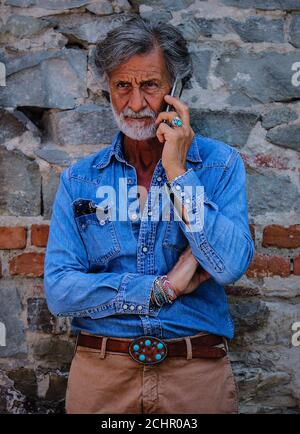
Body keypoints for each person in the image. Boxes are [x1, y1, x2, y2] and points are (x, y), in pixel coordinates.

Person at [44, 17, 254, 414]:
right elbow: (59, 291)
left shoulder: (220, 166)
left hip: (194, 371)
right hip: (103, 373)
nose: (136, 104)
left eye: (150, 86)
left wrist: (177, 170)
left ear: (175, 90)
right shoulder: (80, 180)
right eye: (123, 86)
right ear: (107, 87)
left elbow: (227, 266)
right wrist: (163, 289)